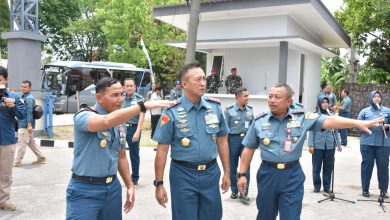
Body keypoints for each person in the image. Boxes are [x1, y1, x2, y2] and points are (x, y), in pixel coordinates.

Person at [237, 83, 383, 220]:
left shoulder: (302, 118)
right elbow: (249, 148)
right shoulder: (260, 121)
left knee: (291, 217)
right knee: (265, 216)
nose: (272, 100)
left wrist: (357, 123)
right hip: (268, 175)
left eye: (277, 97)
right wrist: (242, 174)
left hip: (292, 176)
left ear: (288, 101)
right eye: (270, 96)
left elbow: (330, 121)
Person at [66, 77, 172, 219]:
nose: (120, 99)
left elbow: (121, 155)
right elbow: (105, 121)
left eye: (121, 94)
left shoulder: (120, 123)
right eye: (114, 95)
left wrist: (129, 185)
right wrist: (142, 106)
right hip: (85, 189)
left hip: (112, 189)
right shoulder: (84, 116)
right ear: (99, 97)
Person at [153, 62, 230, 220]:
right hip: (183, 175)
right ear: (184, 84)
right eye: (198, 79)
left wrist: (227, 173)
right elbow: (162, 149)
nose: (203, 83)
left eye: (204, 79)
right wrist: (159, 184)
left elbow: (222, 141)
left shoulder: (214, 107)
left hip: (211, 173)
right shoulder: (172, 111)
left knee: (213, 216)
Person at [0, 67, 26, 211]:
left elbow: (22, 115)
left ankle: (4, 200)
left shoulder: (14, 96)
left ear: (6, 80)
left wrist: (13, 106)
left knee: (5, 173)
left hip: (6, 140)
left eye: (0, 80)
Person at [358, 90, 390, 198]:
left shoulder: (387, 111)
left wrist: (387, 126)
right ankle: (365, 189)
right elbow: (358, 125)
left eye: (379, 97)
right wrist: (368, 125)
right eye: (375, 96)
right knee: (367, 166)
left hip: (383, 143)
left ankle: (383, 190)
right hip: (367, 143)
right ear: (371, 98)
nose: (377, 98)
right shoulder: (364, 111)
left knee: (383, 167)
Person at [224, 87, 253, 202]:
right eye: (245, 96)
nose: (247, 98)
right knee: (232, 166)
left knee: (246, 167)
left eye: (248, 95)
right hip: (233, 140)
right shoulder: (229, 110)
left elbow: (252, 127)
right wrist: (225, 145)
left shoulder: (250, 110)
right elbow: (225, 130)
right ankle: (234, 190)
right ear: (238, 97)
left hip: (246, 141)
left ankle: (244, 192)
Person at [308, 95, 341, 193]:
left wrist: (338, 144)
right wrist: (311, 145)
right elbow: (311, 131)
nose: (325, 104)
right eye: (323, 102)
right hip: (317, 145)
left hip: (330, 144)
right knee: (317, 166)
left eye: (327, 102)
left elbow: (336, 131)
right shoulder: (315, 116)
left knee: (328, 166)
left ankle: (327, 187)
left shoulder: (331, 115)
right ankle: (317, 186)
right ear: (319, 104)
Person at [14, 80, 46, 167]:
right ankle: (41, 157)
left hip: (25, 125)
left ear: (29, 88)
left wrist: (29, 125)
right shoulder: (24, 96)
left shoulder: (29, 99)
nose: (23, 88)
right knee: (31, 142)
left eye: (25, 87)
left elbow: (29, 113)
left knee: (21, 143)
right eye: (22, 86)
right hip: (23, 123)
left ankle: (17, 161)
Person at [122, 78, 145, 185]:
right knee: (117, 153)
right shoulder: (120, 98)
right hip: (121, 128)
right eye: (127, 86)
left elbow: (142, 115)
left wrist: (137, 131)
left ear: (135, 87)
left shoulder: (139, 99)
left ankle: (134, 177)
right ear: (124, 87)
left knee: (134, 154)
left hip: (133, 129)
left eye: (131, 86)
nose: (129, 88)